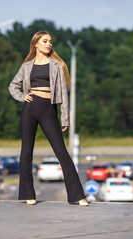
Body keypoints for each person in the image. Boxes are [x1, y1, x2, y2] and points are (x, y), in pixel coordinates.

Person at [8, 31, 88, 206]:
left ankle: (78, 196)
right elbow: (13, 85)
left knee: (62, 153)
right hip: (30, 109)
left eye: (50, 42)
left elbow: (63, 95)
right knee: (26, 153)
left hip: (48, 111)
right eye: (45, 41)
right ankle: (28, 195)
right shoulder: (27, 66)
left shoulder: (56, 66)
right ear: (36, 43)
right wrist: (22, 97)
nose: (48, 44)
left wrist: (65, 117)